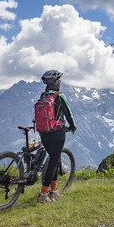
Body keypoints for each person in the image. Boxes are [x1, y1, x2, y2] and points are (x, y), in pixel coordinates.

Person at [37, 69, 76, 203]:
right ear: (56, 82)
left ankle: (54, 191)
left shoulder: (43, 96)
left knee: (54, 158)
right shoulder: (59, 96)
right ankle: (43, 194)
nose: (60, 82)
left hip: (44, 133)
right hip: (57, 133)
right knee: (53, 161)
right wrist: (72, 126)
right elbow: (69, 114)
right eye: (59, 80)